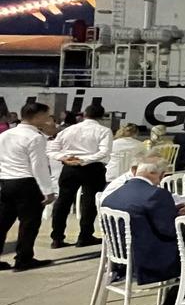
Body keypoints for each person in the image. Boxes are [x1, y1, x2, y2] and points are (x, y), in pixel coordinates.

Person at [101, 155, 185, 305]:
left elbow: (141, 215)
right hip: (147, 260)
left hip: (121, 259)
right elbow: (169, 230)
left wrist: (170, 212)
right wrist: (177, 218)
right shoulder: (156, 194)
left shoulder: (113, 195)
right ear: (160, 175)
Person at [47, 102, 113, 248]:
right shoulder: (103, 130)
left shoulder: (68, 130)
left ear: (84, 114)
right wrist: (84, 160)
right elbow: (104, 152)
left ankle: (57, 238)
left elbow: (51, 148)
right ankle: (85, 236)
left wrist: (64, 157)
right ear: (101, 116)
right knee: (89, 203)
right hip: (92, 167)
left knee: (63, 202)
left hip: (69, 167)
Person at [0, 102, 57, 271]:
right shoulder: (35, 137)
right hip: (26, 183)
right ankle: (23, 258)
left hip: (6, 181)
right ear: (38, 116)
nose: (48, 120)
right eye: (46, 116)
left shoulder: (5, 135)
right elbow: (38, 166)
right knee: (29, 222)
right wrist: (48, 190)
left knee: (3, 221)